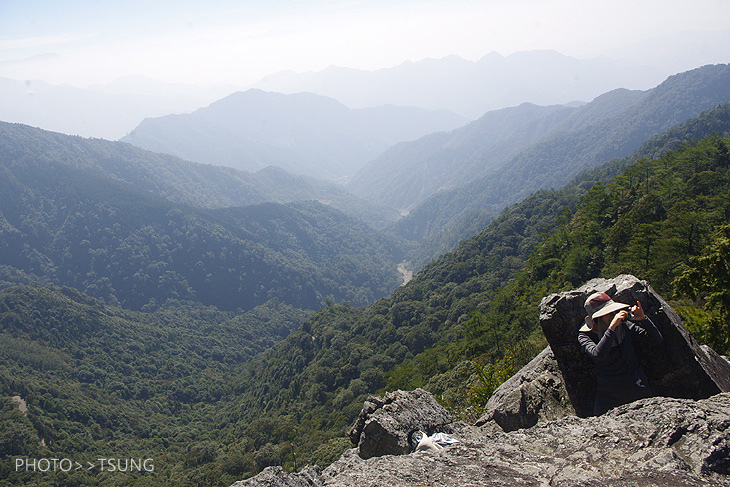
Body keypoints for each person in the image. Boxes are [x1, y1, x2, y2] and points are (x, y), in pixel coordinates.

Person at [578, 292, 664, 416]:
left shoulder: (625, 326)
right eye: (608, 313)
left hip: (635, 384)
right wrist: (612, 327)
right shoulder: (585, 335)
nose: (613, 315)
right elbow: (598, 355)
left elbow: (656, 340)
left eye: (613, 312)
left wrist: (643, 319)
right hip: (608, 392)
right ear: (597, 316)